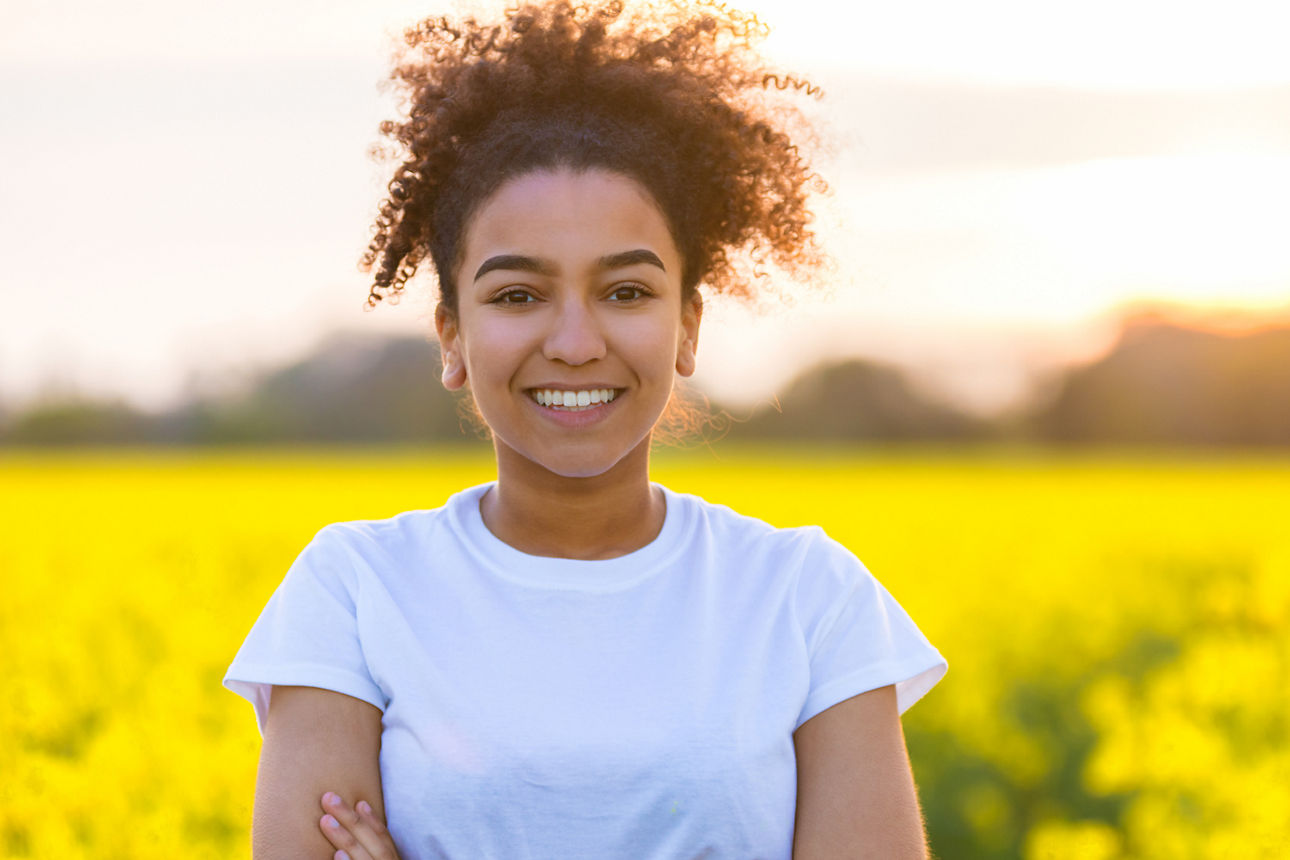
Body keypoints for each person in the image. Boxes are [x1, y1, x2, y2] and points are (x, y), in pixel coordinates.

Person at [223, 1, 948, 857]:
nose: (574, 343)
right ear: (451, 335)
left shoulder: (812, 600)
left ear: (688, 327)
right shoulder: (350, 593)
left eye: (628, 292)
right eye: (518, 295)